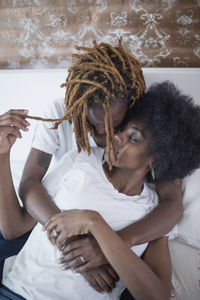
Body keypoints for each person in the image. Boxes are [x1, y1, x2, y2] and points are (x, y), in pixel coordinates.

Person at [1, 81, 200, 300]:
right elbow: (16, 227)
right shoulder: (80, 159)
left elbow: (157, 296)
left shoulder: (153, 212)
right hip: (16, 292)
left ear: (157, 158)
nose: (116, 137)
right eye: (121, 130)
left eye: (133, 138)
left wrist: (95, 223)